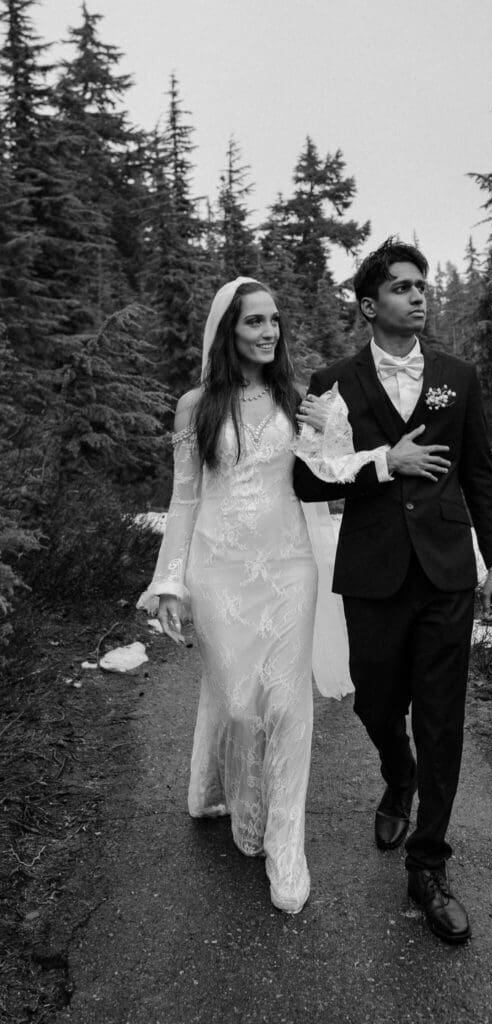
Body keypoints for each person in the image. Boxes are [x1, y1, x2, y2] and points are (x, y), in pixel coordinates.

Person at [294, 238, 492, 944]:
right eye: (401, 287)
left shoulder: (457, 375)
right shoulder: (331, 383)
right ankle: (397, 771)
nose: (418, 295)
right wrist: (384, 463)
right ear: (368, 305)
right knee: (377, 698)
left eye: (422, 285)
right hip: (374, 569)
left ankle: (429, 865)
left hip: (447, 569)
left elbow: (480, 473)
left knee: (444, 718)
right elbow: (307, 480)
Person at [138, 277, 341, 914]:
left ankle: (285, 844)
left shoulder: (298, 398)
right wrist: (168, 583)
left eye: (274, 320)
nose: (269, 331)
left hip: (290, 568)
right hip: (218, 572)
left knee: (286, 704)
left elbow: (332, 478)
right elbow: (183, 497)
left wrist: (328, 431)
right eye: (254, 321)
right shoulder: (192, 408)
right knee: (239, 703)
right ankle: (229, 800)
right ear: (228, 330)